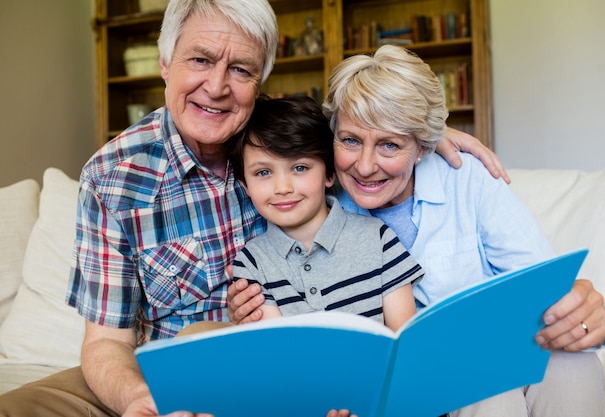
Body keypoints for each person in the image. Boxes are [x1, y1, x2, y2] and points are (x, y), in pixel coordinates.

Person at [0, 0, 511, 415]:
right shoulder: (113, 176)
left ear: (259, 82)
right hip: (160, 367)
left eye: (240, 69)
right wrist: (140, 401)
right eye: (200, 60)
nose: (218, 87)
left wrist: (431, 135)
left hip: (270, 362)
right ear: (165, 62)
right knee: (20, 407)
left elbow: (368, 135)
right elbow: (107, 342)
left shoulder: (276, 139)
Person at [227, 45, 605, 417]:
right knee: (488, 391)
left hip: (494, 347)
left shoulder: (468, 180)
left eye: (389, 145)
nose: (363, 166)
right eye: (350, 140)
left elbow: (546, 293)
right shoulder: (313, 197)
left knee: (570, 363)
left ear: (425, 147)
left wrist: (578, 312)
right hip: (437, 377)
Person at [227, 94, 421, 330]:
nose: (283, 188)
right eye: (263, 173)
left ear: (330, 174)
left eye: (300, 168)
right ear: (245, 185)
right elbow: (278, 351)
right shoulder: (251, 262)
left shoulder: (378, 239)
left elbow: (405, 336)